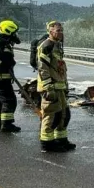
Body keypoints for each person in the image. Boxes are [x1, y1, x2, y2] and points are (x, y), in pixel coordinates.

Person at [37, 21, 74, 152]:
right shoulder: (46, 45)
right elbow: (43, 67)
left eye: (61, 30)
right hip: (51, 88)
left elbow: (61, 68)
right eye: (58, 30)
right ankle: (47, 144)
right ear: (50, 31)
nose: (61, 33)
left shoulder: (57, 46)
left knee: (64, 115)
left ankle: (61, 140)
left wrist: (65, 86)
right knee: (52, 116)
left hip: (60, 88)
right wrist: (48, 87)